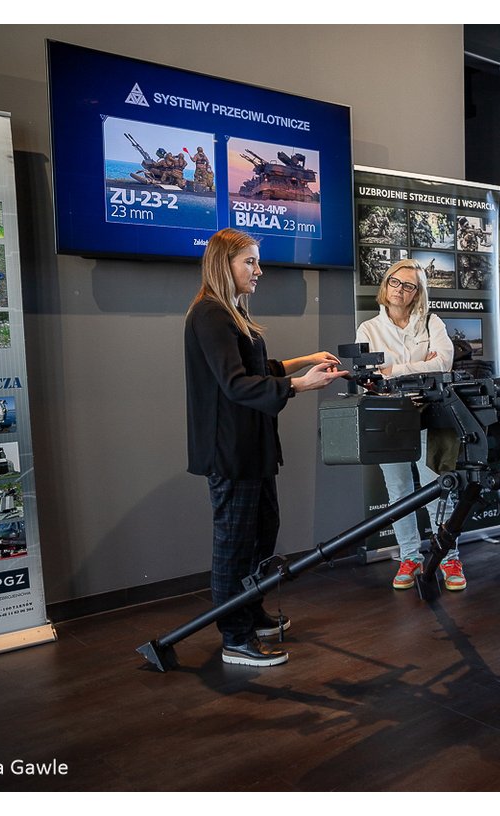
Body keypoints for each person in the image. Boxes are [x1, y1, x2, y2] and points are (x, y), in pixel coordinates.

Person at [184, 228, 346, 667]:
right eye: (250, 262)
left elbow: (259, 368)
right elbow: (236, 385)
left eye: (258, 261)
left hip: (253, 446)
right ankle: (235, 638)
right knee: (234, 544)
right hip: (230, 449)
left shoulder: (232, 313)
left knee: (262, 531)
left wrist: (306, 361)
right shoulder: (210, 314)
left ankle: (251, 612)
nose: (259, 270)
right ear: (224, 264)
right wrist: (299, 384)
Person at [356, 260, 464, 591]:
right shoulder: (368, 330)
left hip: (432, 414)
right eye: (395, 282)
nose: (400, 290)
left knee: (438, 486)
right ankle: (409, 556)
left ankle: (448, 556)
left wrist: (396, 371)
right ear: (385, 285)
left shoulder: (432, 322)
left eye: (409, 286)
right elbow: (369, 379)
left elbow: (444, 364)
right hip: (391, 418)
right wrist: (420, 367)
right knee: (400, 491)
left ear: (419, 293)